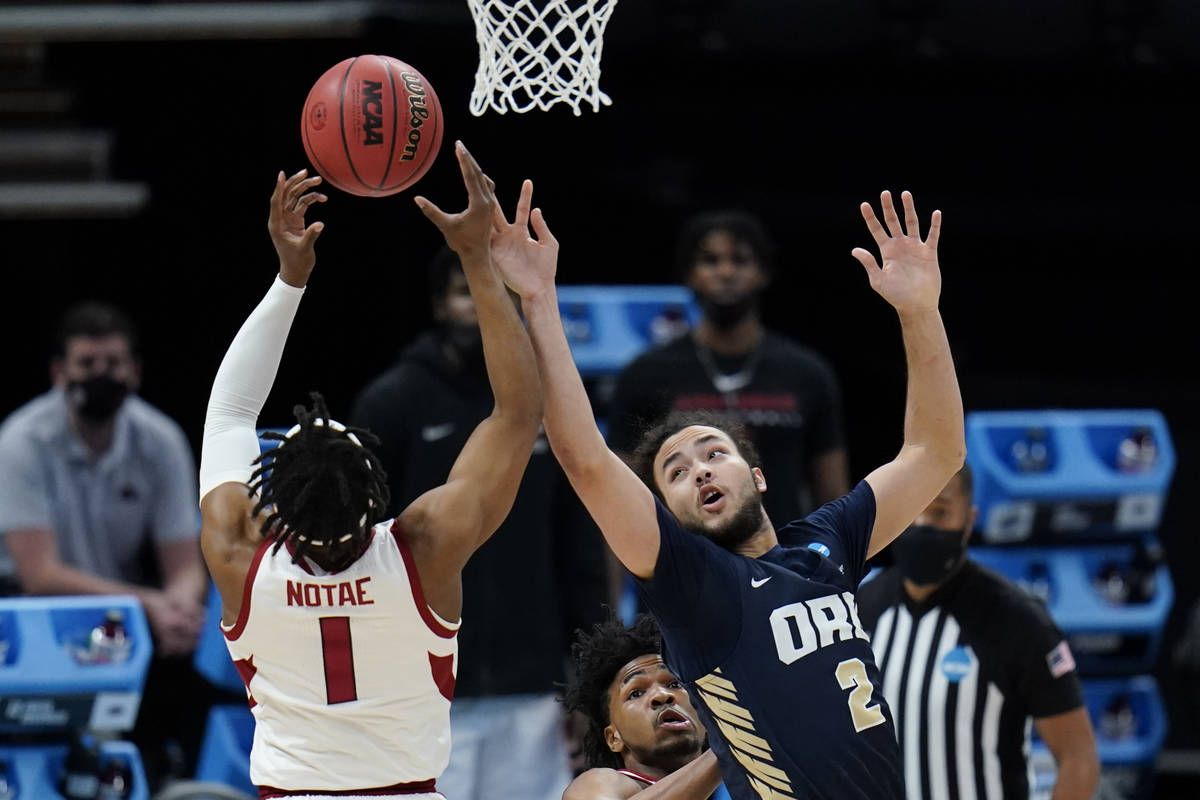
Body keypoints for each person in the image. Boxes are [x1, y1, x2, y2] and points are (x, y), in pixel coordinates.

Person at [496, 189, 964, 799]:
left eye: (715, 453)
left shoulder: (827, 543)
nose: (701, 471)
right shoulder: (693, 585)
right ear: (668, 512)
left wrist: (920, 311)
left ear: (759, 475)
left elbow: (936, 452)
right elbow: (585, 460)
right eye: (677, 472)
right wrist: (538, 300)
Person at [198, 142, 543, 797]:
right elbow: (518, 413)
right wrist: (475, 256)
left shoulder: (239, 551)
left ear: (271, 499)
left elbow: (231, 415)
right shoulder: (424, 547)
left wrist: (288, 277)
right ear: (374, 485)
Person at [348, 246, 608, 800]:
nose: (485, 308)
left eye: (502, 296)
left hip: (532, 688)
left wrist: (592, 681)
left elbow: (581, 552)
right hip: (422, 692)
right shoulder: (390, 404)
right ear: (440, 303)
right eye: (469, 292)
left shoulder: (552, 403)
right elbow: (357, 554)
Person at [0, 299, 209, 788]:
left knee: (197, 650)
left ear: (134, 372)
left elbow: (185, 563)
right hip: (31, 622)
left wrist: (178, 606)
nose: (101, 375)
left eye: (113, 364)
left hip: (124, 625)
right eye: (87, 365)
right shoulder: (20, 443)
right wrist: (150, 604)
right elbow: (41, 574)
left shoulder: (159, 440)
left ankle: (172, 778)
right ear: (59, 373)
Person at [856, 465, 1100, 800]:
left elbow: (1078, 758)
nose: (924, 524)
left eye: (941, 512)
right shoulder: (859, 609)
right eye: (913, 509)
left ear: (968, 522)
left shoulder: (1016, 619)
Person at [606, 210, 848, 526]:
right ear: (690, 274)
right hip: (687, 563)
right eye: (710, 261)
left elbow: (832, 493)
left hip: (786, 560)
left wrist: (839, 570)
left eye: (740, 260)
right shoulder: (647, 373)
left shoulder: (807, 373)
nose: (725, 271)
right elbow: (619, 497)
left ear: (762, 273)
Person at [562, 614, 724, 800]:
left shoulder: (743, 785)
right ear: (614, 738)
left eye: (674, 684)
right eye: (636, 693)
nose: (662, 696)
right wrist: (728, 751)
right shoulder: (599, 782)